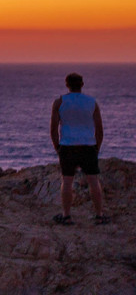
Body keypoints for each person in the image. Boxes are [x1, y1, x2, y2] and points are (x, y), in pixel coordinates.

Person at [51, 72, 107, 225]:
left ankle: (67, 216)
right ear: (82, 84)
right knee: (93, 181)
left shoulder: (59, 102)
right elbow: (99, 129)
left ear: (67, 85)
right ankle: (99, 215)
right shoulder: (92, 102)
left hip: (67, 146)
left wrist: (58, 148)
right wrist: (97, 148)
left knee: (67, 182)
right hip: (88, 146)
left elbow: (53, 129)